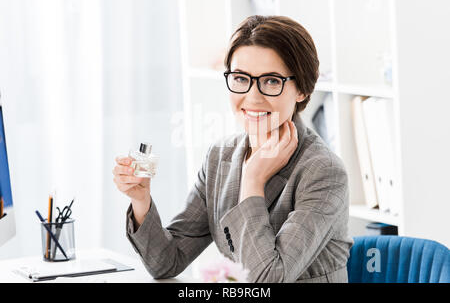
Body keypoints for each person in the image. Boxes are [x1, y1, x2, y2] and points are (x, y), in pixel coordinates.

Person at [113, 15, 354, 283]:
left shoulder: (324, 172)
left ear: (302, 90)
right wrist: (141, 200)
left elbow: (266, 280)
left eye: (272, 81)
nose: (252, 97)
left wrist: (252, 181)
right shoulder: (220, 157)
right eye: (241, 78)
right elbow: (167, 263)